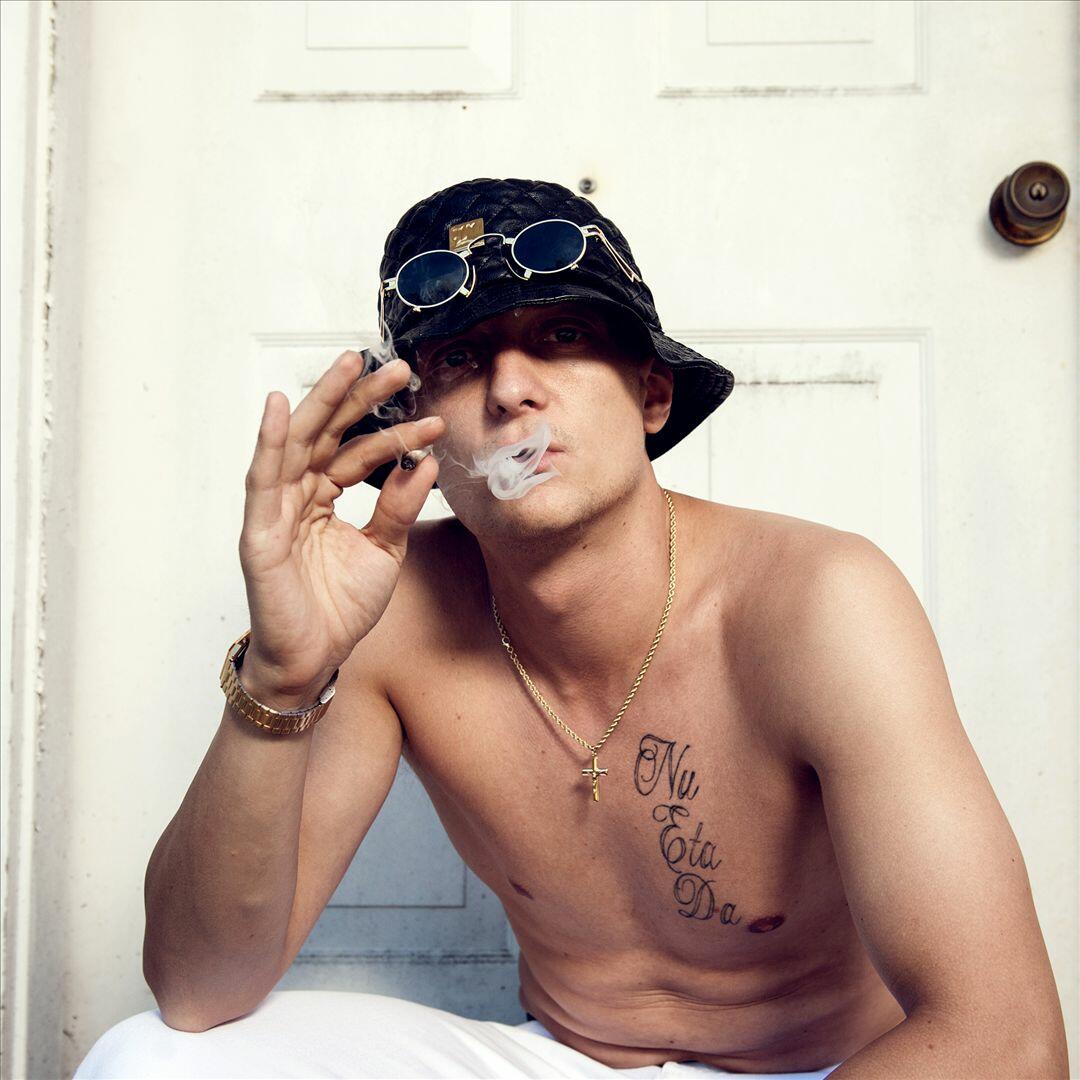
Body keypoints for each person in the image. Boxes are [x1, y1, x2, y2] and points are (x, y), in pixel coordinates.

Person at [75, 178, 1068, 1079]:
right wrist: (283, 677)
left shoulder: (819, 602)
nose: (511, 390)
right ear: (414, 438)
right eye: (461, 359)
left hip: (829, 1073)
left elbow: (1009, 1041)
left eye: (559, 336)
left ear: (651, 394)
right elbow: (197, 991)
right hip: (565, 1061)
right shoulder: (390, 610)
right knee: (151, 1059)